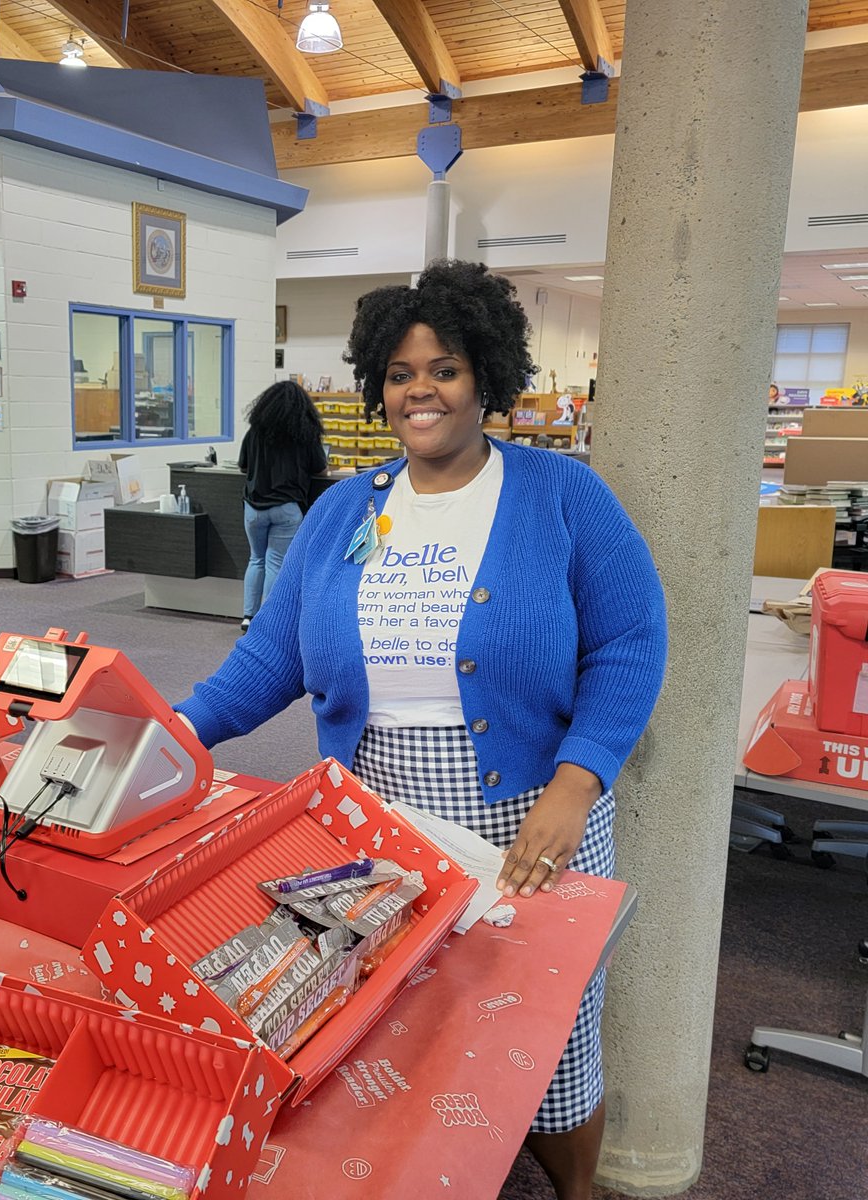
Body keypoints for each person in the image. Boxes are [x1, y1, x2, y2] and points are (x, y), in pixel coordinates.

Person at [178, 260, 668, 1200]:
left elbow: (630, 644)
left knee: (551, 1035)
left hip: (530, 811)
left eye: (442, 368)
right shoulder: (342, 512)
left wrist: (579, 783)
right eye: (400, 374)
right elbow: (269, 658)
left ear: (485, 374)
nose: (421, 391)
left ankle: (576, 1190)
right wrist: (173, 732)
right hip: (374, 816)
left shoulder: (563, 497)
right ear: (377, 388)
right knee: (396, 1023)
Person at [237, 380, 327, 632]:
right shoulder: (304, 433)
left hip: (254, 507)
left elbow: (243, 466)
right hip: (286, 507)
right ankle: (268, 618)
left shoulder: (254, 432)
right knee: (276, 562)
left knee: (256, 559)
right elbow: (320, 468)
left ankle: (248, 616)